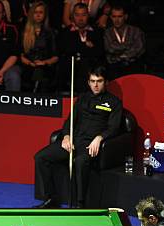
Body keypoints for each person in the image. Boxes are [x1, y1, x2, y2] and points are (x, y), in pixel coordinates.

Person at [33, 66, 122, 208]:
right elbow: (69, 121)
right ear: (88, 82)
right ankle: (51, 198)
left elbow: (114, 128)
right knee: (40, 157)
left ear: (106, 82)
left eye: (99, 81)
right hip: (74, 141)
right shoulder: (82, 99)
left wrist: (99, 138)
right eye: (92, 81)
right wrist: (67, 136)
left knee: (80, 162)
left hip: (90, 145)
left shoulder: (114, 102)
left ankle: (80, 205)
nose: (95, 85)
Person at [58, 2, 103, 93]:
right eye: (77, 15)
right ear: (72, 16)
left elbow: (100, 52)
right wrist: (86, 46)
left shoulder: (97, 32)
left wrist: (79, 48)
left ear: (88, 15)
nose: (80, 18)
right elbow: (66, 50)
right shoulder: (65, 32)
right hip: (70, 69)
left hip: (91, 68)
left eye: (84, 15)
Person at [20, 1, 58, 92]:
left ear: (45, 15)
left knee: (41, 73)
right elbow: (20, 56)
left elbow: (55, 57)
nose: (38, 15)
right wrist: (30, 63)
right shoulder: (24, 32)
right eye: (35, 12)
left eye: (40, 12)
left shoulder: (51, 33)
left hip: (45, 66)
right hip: (28, 66)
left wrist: (44, 62)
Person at [103, 4, 145, 80]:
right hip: (114, 68)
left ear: (125, 17)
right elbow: (110, 48)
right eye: (114, 16)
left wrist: (121, 55)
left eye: (120, 16)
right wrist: (128, 46)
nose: (117, 20)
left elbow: (139, 49)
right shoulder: (107, 32)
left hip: (133, 67)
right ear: (111, 17)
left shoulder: (136, 31)